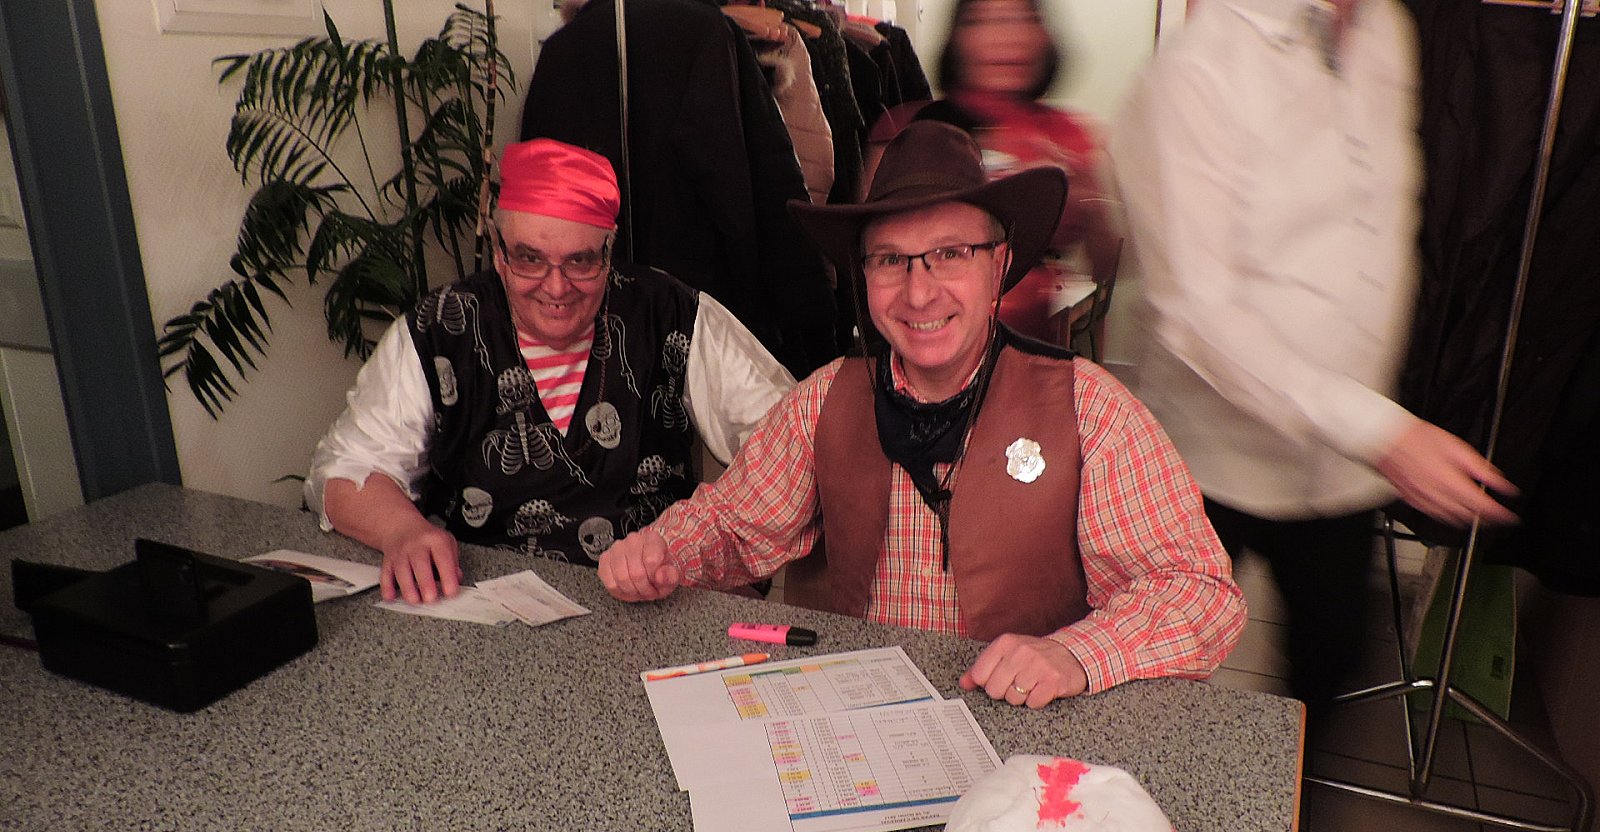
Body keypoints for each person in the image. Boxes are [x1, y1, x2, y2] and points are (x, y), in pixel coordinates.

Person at [599, 121, 1245, 708]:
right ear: (864, 277)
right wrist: (663, 551)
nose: (918, 291)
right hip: (863, 714)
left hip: (1030, 730)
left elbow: (1199, 590)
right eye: (890, 260)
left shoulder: (1089, 409)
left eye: (950, 253)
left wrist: (1075, 654)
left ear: (998, 265)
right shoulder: (823, 401)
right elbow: (733, 526)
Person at [1112, 0, 1518, 716]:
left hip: (1338, 470)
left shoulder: (1387, 34)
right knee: (1152, 670)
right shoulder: (1199, 68)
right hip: (1208, 457)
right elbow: (1198, 310)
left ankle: (1288, 788)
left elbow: (1383, 223)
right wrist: (1380, 431)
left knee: (1329, 663)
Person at [305, 139, 795, 604]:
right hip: (478, 604)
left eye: (580, 261)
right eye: (529, 259)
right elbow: (344, 469)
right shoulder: (440, 328)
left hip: (653, 599)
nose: (556, 288)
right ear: (500, 253)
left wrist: (695, 541)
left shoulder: (670, 312)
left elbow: (792, 442)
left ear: (608, 254)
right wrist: (402, 531)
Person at [863, 0, 1121, 342]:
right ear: (957, 38)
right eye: (983, 20)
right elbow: (866, 257)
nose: (1006, 36)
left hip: (1027, 344)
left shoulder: (1066, 135)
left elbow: (1106, 265)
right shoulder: (907, 129)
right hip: (921, 338)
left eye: (1022, 19)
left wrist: (1089, 201)